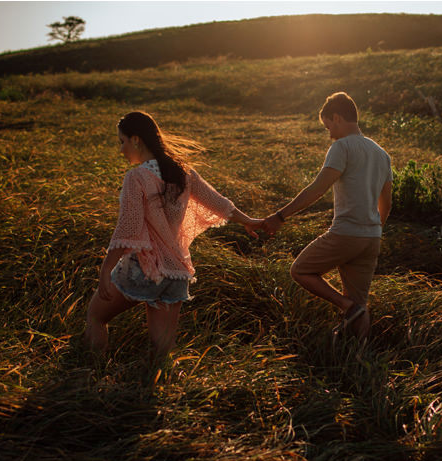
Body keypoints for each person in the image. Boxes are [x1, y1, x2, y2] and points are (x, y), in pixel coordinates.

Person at [84, 111, 263, 359]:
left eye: (122, 142)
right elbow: (219, 203)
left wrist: (106, 269)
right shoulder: (183, 173)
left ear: (136, 140)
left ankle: (91, 372)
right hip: (177, 272)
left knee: (96, 315)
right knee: (162, 348)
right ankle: (158, 387)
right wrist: (249, 221)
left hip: (143, 269)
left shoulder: (136, 178)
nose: (121, 150)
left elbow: (128, 228)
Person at [262, 92, 392, 339]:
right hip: (372, 237)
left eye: (328, 126)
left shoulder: (341, 147)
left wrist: (280, 216)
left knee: (300, 270)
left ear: (337, 117)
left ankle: (346, 307)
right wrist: (374, 230)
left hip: (347, 233)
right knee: (361, 305)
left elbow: (317, 189)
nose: (330, 133)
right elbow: (386, 202)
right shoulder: (381, 153)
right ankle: (358, 357)